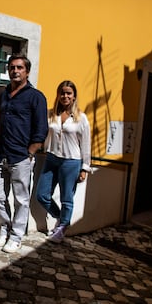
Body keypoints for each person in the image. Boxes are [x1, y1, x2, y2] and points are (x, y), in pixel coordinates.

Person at [0, 53, 48, 253]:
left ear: (27, 72)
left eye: (19, 67)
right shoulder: (4, 94)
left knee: (21, 200)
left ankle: (16, 236)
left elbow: (41, 130)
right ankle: (5, 229)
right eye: (12, 67)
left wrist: (30, 153)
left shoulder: (36, 97)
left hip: (21, 157)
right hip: (0, 153)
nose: (15, 71)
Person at [36, 80, 91, 243]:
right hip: (52, 158)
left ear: (74, 97)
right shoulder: (51, 114)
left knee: (67, 198)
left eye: (69, 93)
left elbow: (86, 144)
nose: (65, 96)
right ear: (58, 95)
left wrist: (85, 168)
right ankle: (61, 218)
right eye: (62, 93)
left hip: (71, 162)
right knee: (42, 195)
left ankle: (61, 229)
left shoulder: (81, 118)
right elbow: (43, 132)